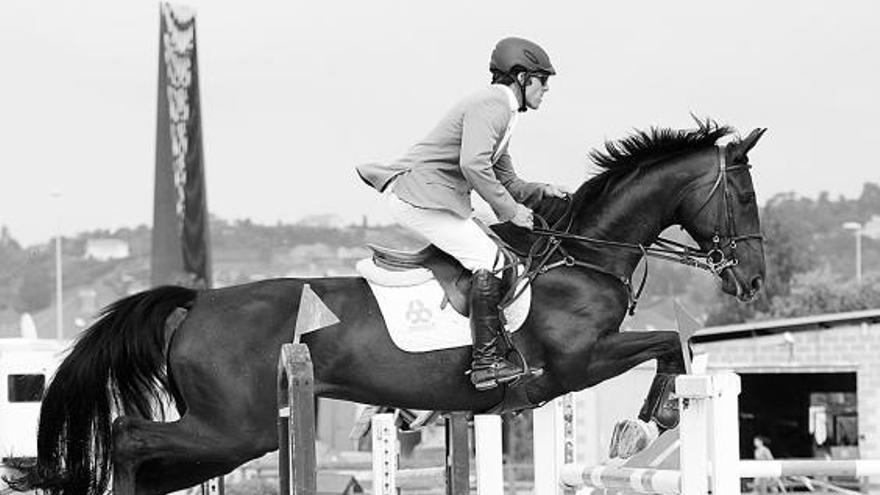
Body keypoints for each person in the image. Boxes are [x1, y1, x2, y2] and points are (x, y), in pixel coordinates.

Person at [356, 37, 567, 391]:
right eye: (542, 80)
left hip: (434, 198)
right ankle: (485, 362)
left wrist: (541, 191)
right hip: (422, 196)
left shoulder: (505, 113)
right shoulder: (493, 106)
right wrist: (509, 211)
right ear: (520, 76)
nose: (546, 89)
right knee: (494, 262)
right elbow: (474, 165)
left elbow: (506, 178)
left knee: (498, 257)